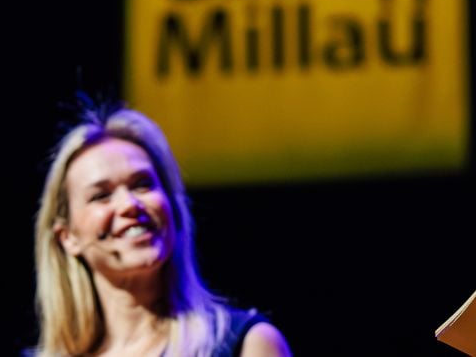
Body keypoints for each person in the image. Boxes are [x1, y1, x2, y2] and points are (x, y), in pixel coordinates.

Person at [33, 104, 292, 356]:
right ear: (67, 238)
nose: (129, 205)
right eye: (102, 195)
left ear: (172, 206)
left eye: (142, 185)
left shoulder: (247, 344)